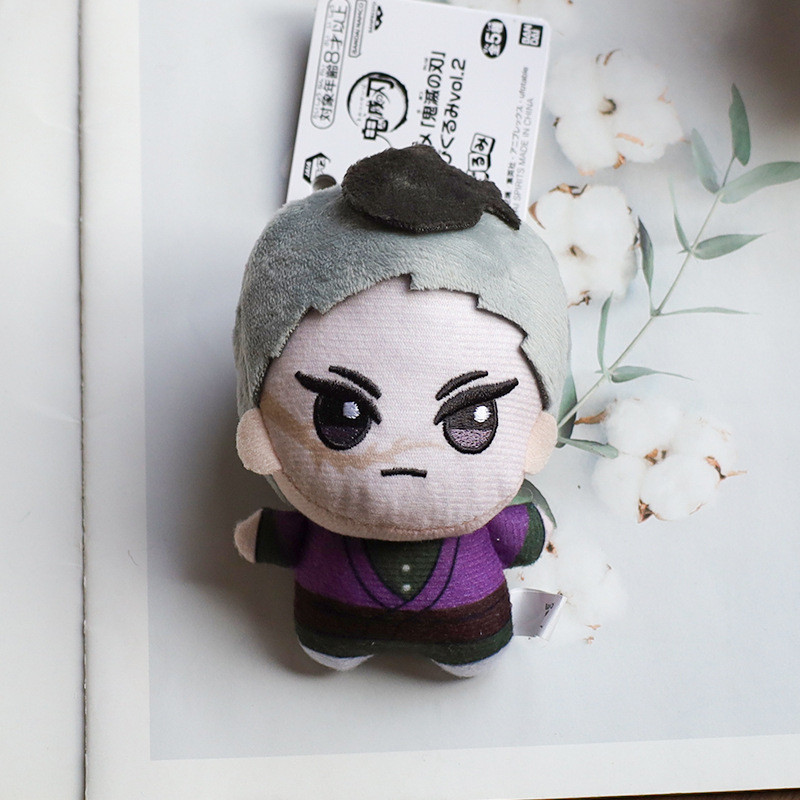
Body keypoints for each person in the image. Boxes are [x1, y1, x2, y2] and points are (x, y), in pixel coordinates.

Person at [233, 145, 569, 675]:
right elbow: (528, 540)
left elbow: (524, 540)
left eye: (473, 419)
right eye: (343, 415)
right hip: (342, 624)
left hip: (392, 624)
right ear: (259, 438)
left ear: (537, 437)